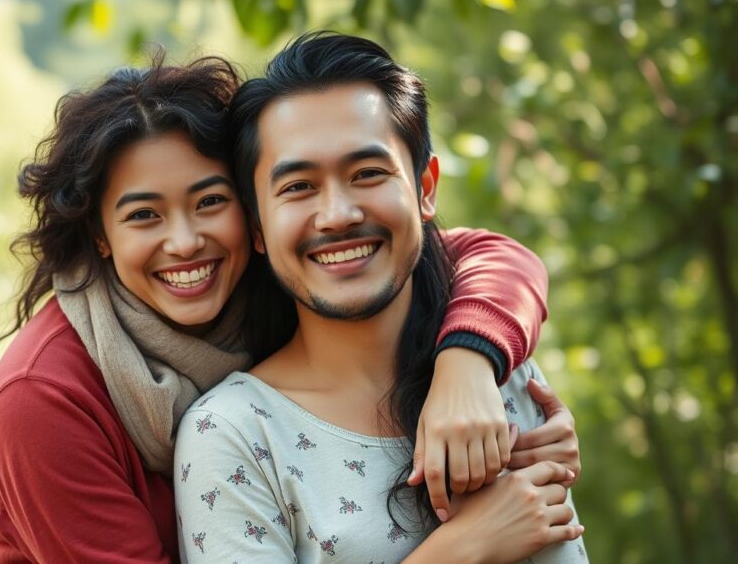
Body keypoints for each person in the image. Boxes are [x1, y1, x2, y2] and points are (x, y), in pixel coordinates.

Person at [0, 49, 557, 563]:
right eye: (143, 215)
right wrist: (466, 549)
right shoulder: (44, 400)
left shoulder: (286, 270)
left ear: (249, 216)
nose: (184, 242)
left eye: (210, 201)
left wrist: (470, 367)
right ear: (100, 236)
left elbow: (485, 255)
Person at [175, 32, 586, 563]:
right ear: (256, 226)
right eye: (298, 186)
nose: (338, 214)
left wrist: (469, 370)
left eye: (368, 173)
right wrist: (464, 549)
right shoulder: (233, 435)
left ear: (425, 189)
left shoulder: (495, 371)